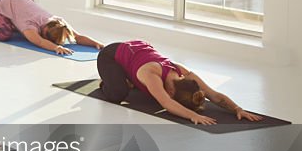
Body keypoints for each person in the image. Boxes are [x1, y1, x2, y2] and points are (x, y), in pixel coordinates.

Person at [96, 40, 263, 126]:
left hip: (136, 56)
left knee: (147, 93)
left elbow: (213, 94)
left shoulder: (183, 72)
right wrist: (193, 116)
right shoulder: (151, 74)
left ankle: (129, 78)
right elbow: (166, 103)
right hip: (110, 56)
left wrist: (237, 109)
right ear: (170, 92)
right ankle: (109, 82)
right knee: (118, 94)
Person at [0, 0, 101, 55]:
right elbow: (39, 41)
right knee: (3, 34)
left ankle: (14, 22)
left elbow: (78, 37)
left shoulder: (59, 22)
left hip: (20, 1)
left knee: (23, 31)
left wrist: (96, 43)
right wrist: (56, 47)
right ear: (44, 31)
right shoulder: (30, 24)